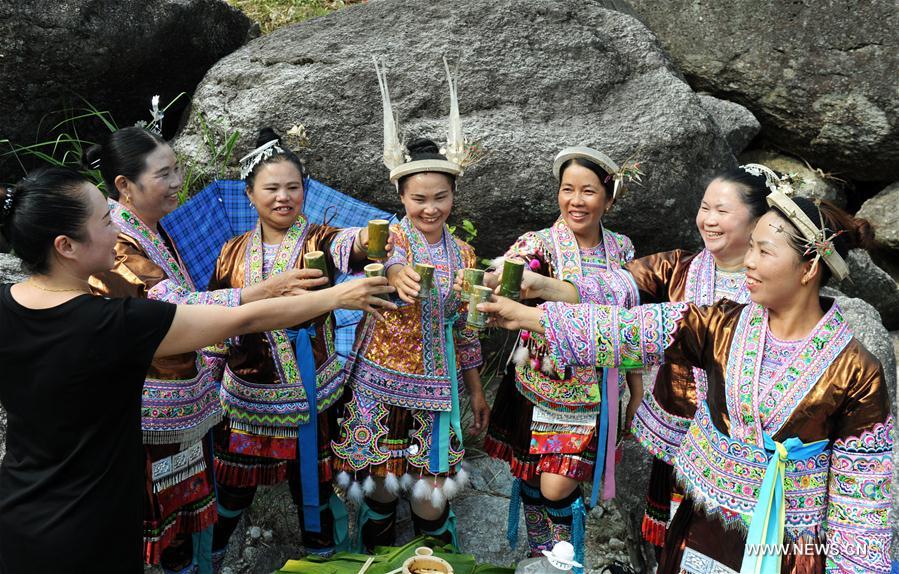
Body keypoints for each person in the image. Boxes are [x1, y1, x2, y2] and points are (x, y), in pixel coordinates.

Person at [479, 182, 891, 573]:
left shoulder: (855, 372)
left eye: (764, 252)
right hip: (702, 525)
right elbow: (629, 330)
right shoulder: (722, 325)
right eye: (751, 248)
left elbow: (861, 507)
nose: (747, 261)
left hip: (786, 548)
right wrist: (528, 316)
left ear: (809, 267)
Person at [0, 167, 393, 573]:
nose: (118, 231)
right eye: (105, 220)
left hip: (20, 513)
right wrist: (336, 295)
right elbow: (241, 320)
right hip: (92, 524)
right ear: (65, 245)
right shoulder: (118, 323)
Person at [86, 126, 321, 573]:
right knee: (168, 522)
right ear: (124, 186)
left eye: (177, 170)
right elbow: (171, 307)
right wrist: (262, 292)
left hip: (185, 397)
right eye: (164, 174)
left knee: (187, 515)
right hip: (151, 402)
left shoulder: (151, 229)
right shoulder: (119, 241)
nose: (177, 182)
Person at [520, 165, 771, 552]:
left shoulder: (772, 286)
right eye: (705, 208)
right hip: (679, 434)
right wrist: (545, 285)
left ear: (758, 220)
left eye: (722, 211)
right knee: (673, 540)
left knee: (726, 545)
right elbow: (610, 289)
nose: (709, 220)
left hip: (743, 445)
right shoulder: (677, 267)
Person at [205, 127, 387, 560]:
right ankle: (208, 559)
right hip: (247, 397)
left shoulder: (318, 241)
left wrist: (368, 239)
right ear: (250, 194)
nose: (283, 196)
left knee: (315, 489)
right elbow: (215, 319)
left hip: (310, 393)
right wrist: (206, 384)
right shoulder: (231, 251)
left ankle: (323, 561)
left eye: (293, 187)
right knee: (232, 492)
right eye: (271, 188)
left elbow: (351, 245)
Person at [331, 60, 488, 552]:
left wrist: (476, 391)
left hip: (438, 389)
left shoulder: (462, 254)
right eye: (418, 198)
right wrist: (384, 267)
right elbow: (346, 249)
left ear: (453, 196)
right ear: (401, 196)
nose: (429, 208)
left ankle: (435, 561)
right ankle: (375, 562)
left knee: (430, 498)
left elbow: (464, 328)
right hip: (378, 380)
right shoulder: (389, 235)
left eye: (440, 197)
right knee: (378, 490)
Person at [480, 147, 638, 562]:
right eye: (567, 189)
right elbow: (511, 272)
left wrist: (635, 387)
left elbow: (633, 322)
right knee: (536, 478)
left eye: (588, 191)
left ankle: (564, 558)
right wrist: (497, 282)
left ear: (609, 197)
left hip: (597, 390)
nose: (576, 201)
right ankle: (544, 558)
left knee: (556, 485)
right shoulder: (539, 244)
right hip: (539, 382)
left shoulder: (621, 249)